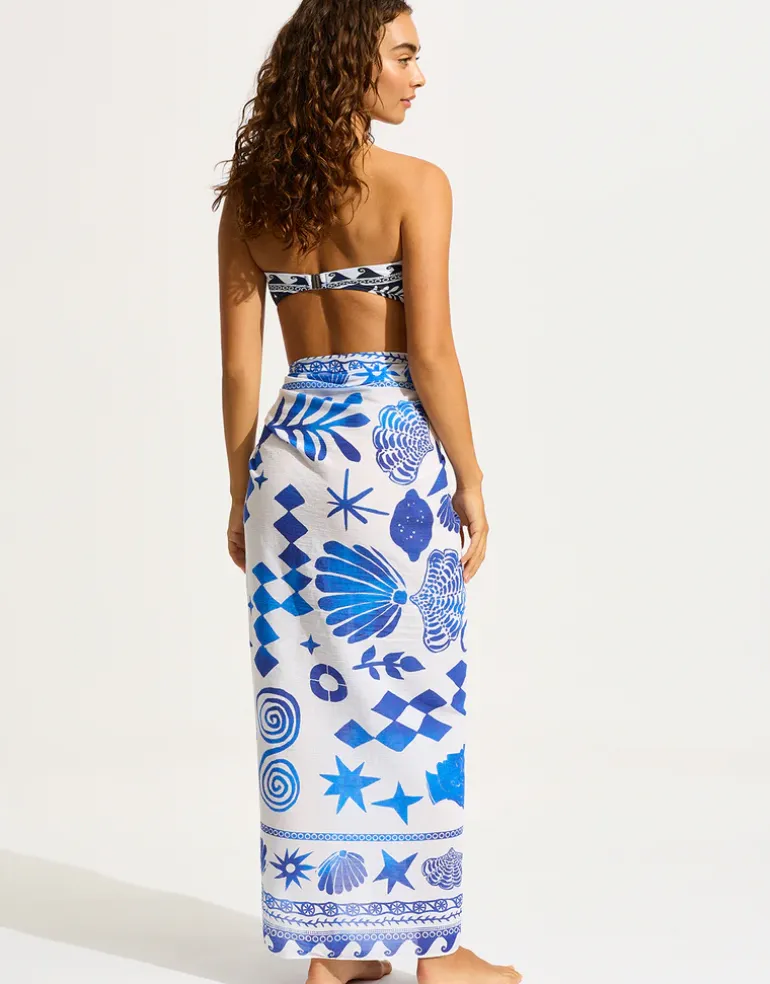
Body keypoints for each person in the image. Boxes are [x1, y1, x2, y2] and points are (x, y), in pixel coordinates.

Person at [213, 3, 520, 983]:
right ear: (352, 64)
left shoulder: (251, 200)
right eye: (404, 55)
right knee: (414, 691)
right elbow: (428, 353)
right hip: (388, 462)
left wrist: (239, 491)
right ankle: (432, 950)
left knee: (303, 695)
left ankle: (335, 951)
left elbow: (239, 371)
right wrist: (470, 477)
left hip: (289, 461)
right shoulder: (415, 185)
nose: (418, 76)